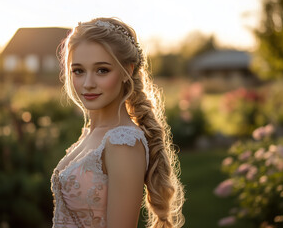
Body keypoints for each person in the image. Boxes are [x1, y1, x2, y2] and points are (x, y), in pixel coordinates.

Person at [51, 17, 185, 228]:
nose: (88, 84)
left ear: (127, 71)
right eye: (78, 71)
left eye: (102, 70)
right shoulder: (91, 134)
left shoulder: (123, 143)